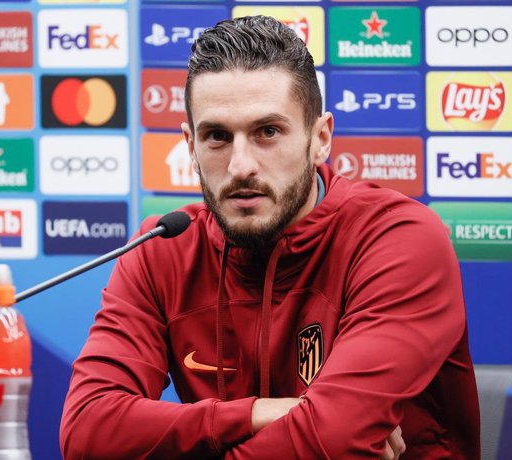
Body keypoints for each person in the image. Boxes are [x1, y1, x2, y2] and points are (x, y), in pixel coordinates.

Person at [60, 15, 480, 459]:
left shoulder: (397, 239)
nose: (241, 165)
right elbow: (88, 431)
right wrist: (259, 413)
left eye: (268, 132)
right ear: (190, 146)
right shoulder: (162, 248)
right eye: (218, 136)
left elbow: (332, 441)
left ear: (320, 139)